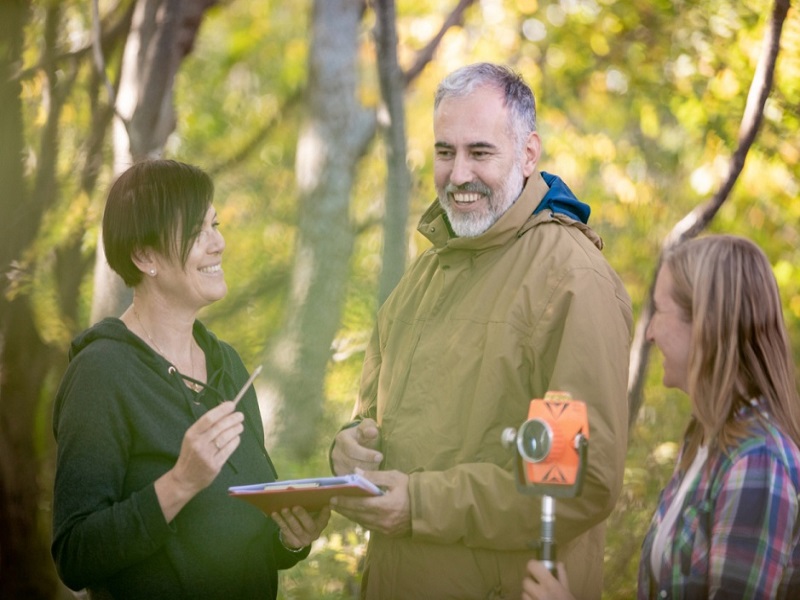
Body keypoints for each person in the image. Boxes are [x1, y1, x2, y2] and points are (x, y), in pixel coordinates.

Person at [328, 62, 633, 599]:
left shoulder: (569, 282)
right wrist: (349, 450)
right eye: (445, 152)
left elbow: (574, 482)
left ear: (529, 154)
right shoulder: (422, 278)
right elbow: (375, 421)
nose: (458, 173)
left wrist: (420, 506)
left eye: (480, 152)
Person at [51, 160, 330, 599]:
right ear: (145, 256)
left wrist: (289, 537)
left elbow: (241, 530)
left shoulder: (227, 365)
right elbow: (76, 553)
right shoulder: (100, 374)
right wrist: (180, 481)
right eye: (197, 232)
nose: (218, 243)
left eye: (215, 225)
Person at [523, 234, 800, 599]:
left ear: (705, 323)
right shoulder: (702, 442)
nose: (650, 332)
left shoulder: (757, 459)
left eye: (659, 311)